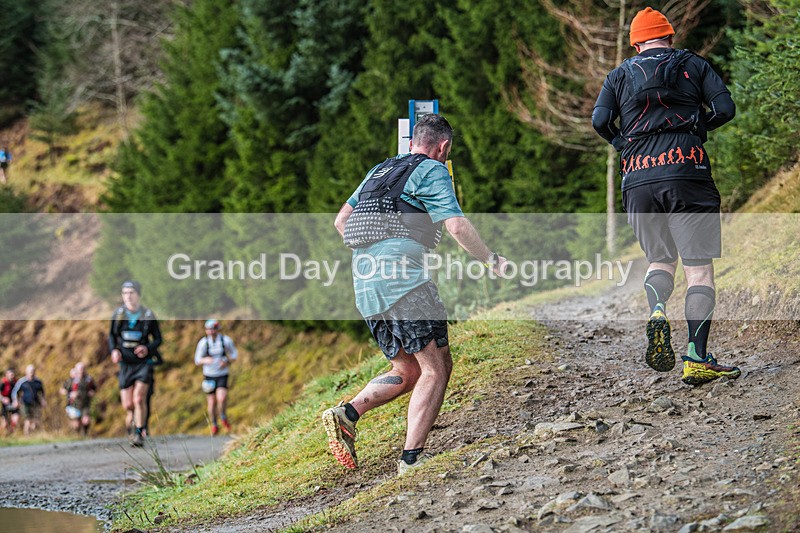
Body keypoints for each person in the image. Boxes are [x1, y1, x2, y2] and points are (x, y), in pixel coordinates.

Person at [323, 113, 508, 475]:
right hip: (404, 283)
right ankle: (412, 459)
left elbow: (341, 221)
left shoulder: (379, 170)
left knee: (407, 368)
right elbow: (456, 226)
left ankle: (348, 413)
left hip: (366, 284)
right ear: (444, 147)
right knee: (436, 369)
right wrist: (491, 259)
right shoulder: (434, 170)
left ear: (411, 143)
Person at [592, 7, 739, 385]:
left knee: (660, 260)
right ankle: (697, 356)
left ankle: (657, 309)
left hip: (638, 177)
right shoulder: (694, 64)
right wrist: (698, 127)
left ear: (635, 44)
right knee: (698, 269)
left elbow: (599, 121)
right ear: (670, 37)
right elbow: (725, 108)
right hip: (687, 169)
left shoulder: (618, 75)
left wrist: (622, 144)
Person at [108, 280, 162, 447]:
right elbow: (111, 336)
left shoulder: (148, 315)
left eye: (131, 292)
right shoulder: (118, 315)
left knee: (139, 399)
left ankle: (139, 432)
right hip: (125, 363)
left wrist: (147, 348)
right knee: (128, 405)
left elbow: (158, 339)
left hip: (143, 364)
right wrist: (114, 350)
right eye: (125, 293)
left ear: (138, 294)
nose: (128, 296)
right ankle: (132, 426)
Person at [194, 319, 237, 435]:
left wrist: (227, 361)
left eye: (213, 329)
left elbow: (234, 355)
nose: (211, 332)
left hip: (222, 374)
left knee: (221, 398)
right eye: (208, 329)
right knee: (211, 402)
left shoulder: (225, 340)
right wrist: (205, 360)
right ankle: (214, 424)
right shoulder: (203, 343)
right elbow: (197, 359)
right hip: (209, 376)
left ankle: (223, 416)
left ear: (217, 329)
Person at [60, 362, 97, 436]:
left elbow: (94, 388)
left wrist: (92, 392)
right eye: (80, 369)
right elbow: (62, 390)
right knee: (76, 424)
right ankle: (77, 435)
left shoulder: (88, 379)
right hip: (74, 404)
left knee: (86, 420)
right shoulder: (72, 380)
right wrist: (70, 394)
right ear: (76, 369)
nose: (81, 370)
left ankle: (85, 434)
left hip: (85, 403)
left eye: (82, 368)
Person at [11, 365, 46, 435]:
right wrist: (15, 400)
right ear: (26, 372)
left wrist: (43, 400)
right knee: (28, 419)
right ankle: (26, 434)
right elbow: (15, 392)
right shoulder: (22, 381)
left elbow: (42, 392)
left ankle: (32, 433)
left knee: (36, 420)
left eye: (33, 371)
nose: (31, 373)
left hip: (36, 403)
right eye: (30, 372)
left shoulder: (38, 381)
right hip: (25, 403)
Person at [1, 368, 20, 434]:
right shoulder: (3, 382)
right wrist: (3, 398)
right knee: (4, 424)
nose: (12, 376)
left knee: (16, 420)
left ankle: (11, 433)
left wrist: (17, 401)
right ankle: (3, 435)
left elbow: (19, 394)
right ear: (7, 374)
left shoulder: (16, 382)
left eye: (13, 375)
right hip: (5, 405)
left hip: (14, 404)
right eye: (11, 375)